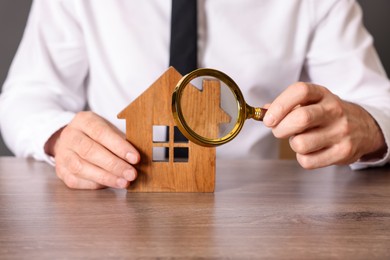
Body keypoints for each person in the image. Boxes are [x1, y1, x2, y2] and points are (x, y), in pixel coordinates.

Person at [0, 0, 389, 190]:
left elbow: (379, 104)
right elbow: (26, 96)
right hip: (116, 201)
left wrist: (370, 128)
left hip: (254, 207)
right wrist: (59, 137)